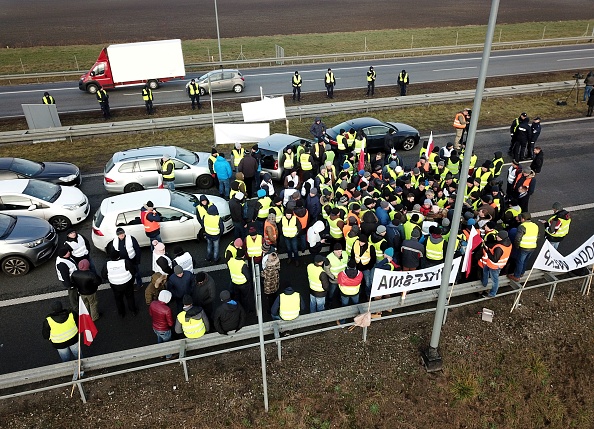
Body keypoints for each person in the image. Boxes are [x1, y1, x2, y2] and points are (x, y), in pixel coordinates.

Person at [102, 250, 138, 318]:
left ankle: (121, 313)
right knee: (130, 297)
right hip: (127, 283)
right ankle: (133, 311)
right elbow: (133, 271)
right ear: (119, 256)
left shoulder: (107, 265)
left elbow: (104, 275)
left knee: (118, 299)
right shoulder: (125, 262)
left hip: (115, 285)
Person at [480, 230, 512, 297]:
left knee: (495, 280)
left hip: (494, 266)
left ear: (501, 238)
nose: (496, 236)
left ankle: (492, 293)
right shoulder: (508, 243)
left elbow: (494, 259)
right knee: (485, 271)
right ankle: (484, 283)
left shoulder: (499, 248)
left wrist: (487, 251)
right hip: (494, 264)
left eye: (498, 236)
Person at [509, 212, 539, 282]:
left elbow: (517, 238)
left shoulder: (522, 226)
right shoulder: (535, 225)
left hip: (524, 247)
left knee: (520, 261)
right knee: (525, 260)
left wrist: (517, 246)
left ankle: (516, 276)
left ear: (523, 219)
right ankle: (522, 273)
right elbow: (538, 236)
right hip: (533, 246)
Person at [148, 290, 174, 359]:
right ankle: (169, 356)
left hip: (155, 327)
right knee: (167, 343)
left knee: (159, 339)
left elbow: (151, 314)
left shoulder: (153, 303)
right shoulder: (167, 309)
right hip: (164, 329)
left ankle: (161, 353)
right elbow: (170, 323)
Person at [336, 259, 364, 324]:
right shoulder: (360, 273)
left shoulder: (341, 273)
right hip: (355, 292)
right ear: (355, 266)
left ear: (347, 266)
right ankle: (358, 320)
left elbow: (339, 282)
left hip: (344, 293)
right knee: (356, 305)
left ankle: (342, 322)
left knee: (344, 306)